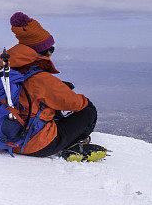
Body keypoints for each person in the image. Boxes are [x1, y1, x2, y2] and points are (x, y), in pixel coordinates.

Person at [6, 12, 105, 161]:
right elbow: (76, 104)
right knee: (88, 111)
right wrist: (72, 95)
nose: (52, 52)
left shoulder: (7, 71)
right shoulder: (41, 79)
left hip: (8, 137)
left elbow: (29, 95)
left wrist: (58, 87)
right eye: (51, 49)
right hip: (35, 144)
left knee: (52, 106)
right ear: (41, 51)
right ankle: (74, 145)